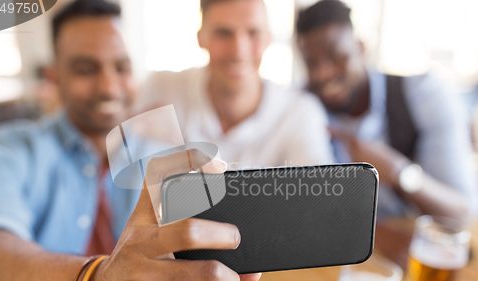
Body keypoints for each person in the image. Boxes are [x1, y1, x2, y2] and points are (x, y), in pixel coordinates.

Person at [0, 1, 261, 281]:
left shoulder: (166, 160)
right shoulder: (11, 149)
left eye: (122, 68)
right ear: (54, 75)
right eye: (86, 69)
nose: (109, 86)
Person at [296, 0, 477, 221]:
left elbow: (462, 212)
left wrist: (399, 173)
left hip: (407, 242)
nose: (323, 74)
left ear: (361, 47)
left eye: (336, 56)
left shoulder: (422, 95)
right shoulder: (300, 108)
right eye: (312, 63)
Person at [137, 0, 333, 170]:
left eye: (253, 33)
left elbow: (320, 198)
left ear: (267, 39)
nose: (239, 50)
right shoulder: (160, 89)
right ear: (201, 38)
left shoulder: (300, 113)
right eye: (224, 33)